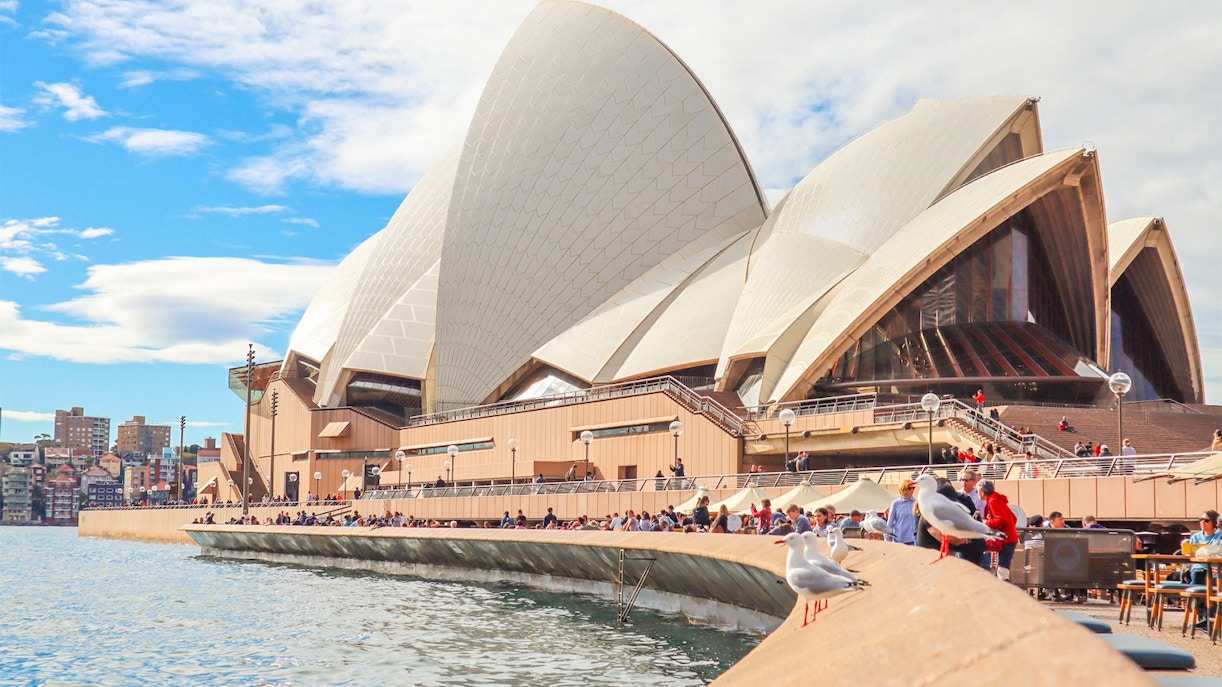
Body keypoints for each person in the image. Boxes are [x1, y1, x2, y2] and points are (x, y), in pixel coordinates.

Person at [1185, 511, 1222, 629]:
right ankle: (1202, 613)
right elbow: (1190, 555)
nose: (1202, 522)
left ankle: (1209, 616)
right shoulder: (1195, 537)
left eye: (1206, 520)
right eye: (1200, 519)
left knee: (1215, 580)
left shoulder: (1219, 536)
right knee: (1197, 574)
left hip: (1215, 568)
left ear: (1214, 522)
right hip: (1199, 566)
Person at [980, 480, 1019, 581]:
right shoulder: (996, 499)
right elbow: (1013, 518)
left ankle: (1006, 591)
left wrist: (986, 522)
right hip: (1009, 537)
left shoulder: (993, 501)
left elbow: (1001, 519)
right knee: (1002, 566)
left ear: (982, 492)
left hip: (1006, 538)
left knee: (1002, 568)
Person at [886, 480, 917, 545]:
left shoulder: (916, 503)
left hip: (914, 539)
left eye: (913, 488)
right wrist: (887, 540)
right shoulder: (896, 503)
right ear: (903, 489)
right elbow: (890, 523)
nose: (912, 490)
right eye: (909, 488)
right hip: (900, 539)